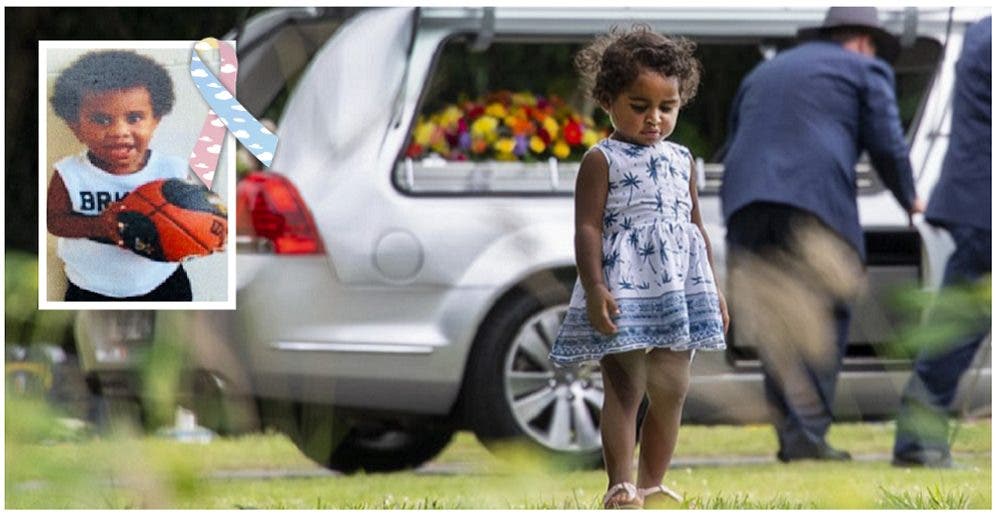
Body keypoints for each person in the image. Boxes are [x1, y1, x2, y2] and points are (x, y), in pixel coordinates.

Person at [720, 7, 922, 462]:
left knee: (777, 317)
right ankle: (808, 437)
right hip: (813, 202)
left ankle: (793, 437)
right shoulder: (866, 68)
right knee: (825, 316)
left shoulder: (765, 71)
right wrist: (910, 198)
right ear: (864, 42)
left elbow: (736, 136)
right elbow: (887, 141)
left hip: (745, 202)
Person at [550, 25, 728, 509]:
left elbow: (694, 226)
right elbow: (587, 228)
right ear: (608, 99)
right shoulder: (601, 159)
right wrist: (594, 287)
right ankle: (620, 485)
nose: (654, 119)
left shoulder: (682, 159)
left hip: (676, 289)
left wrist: (711, 288)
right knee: (625, 389)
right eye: (639, 105)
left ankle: (653, 483)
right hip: (624, 289)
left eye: (666, 108)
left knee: (672, 389)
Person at [892, 16, 991, 469]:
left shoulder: (983, 29)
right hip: (985, 201)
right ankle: (917, 441)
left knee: (957, 325)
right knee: (957, 327)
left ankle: (918, 440)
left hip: (976, 199)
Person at [47, 50, 193, 301]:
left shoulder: (172, 171)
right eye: (101, 119)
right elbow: (55, 221)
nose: (119, 131)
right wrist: (99, 225)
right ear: (76, 127)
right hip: (90, 287)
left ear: (155, 120)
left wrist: (204, 231)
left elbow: (192, 216)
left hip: (163, 282)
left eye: (134, 117)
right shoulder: (70, 173)